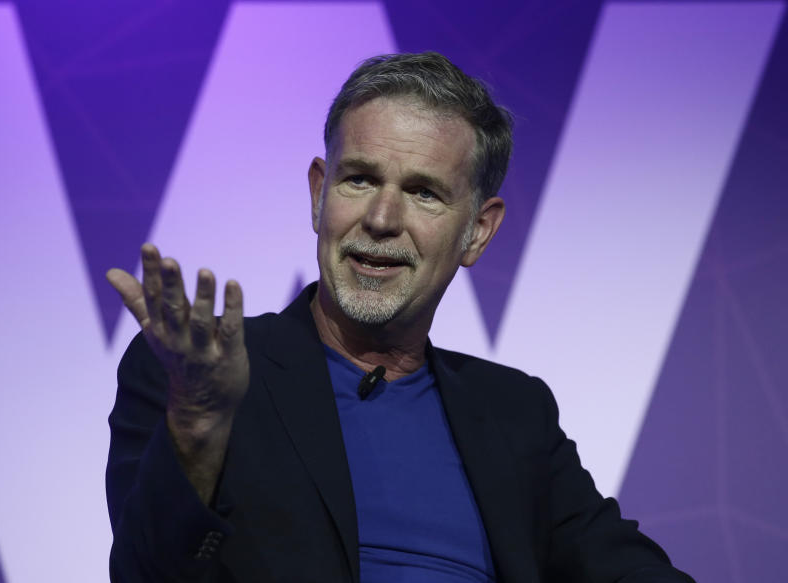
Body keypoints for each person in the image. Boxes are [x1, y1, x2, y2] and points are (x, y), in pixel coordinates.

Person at [104, 52, 694, 583]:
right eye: (359, 179)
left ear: (478, 231)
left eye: (424, 193)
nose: (382, 218)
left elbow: (623, 568)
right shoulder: (199, 375)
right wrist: (200, 425)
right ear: (319, 194)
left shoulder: (514, 414)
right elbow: (146, 574)